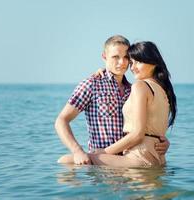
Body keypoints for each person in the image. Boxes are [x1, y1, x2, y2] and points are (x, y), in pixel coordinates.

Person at [55, 35, 171, 166]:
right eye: (115, 57)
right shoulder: (92, 84)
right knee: (65, 162)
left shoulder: (133, 89)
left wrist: (159, 139)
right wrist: (77, 151)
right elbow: (61, 120)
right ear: (104, 56)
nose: (122, 62)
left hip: (130, 161)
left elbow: (145, 125)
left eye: (126, 58)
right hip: (102, 164)